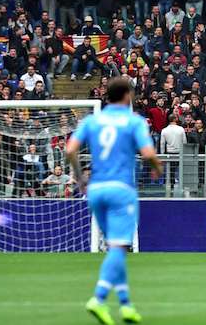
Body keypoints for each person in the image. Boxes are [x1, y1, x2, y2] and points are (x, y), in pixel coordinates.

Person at [66, 76, 162, 325]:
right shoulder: (134, 121)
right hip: (121, 189)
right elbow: (149, 153)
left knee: (114, 249)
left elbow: (69, 150)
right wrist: (157, 168)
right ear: (128, 96)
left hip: (95, 189)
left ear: (106, 95)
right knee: (119, 248)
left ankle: (126, 305)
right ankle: (98, 299)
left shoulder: (92, 120)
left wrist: (79, 177)